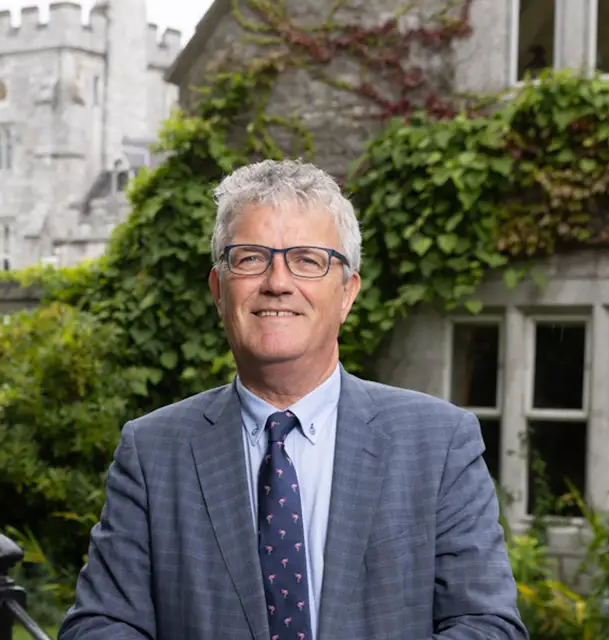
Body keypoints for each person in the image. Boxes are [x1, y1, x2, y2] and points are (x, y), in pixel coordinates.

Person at [57, 159, 527, 640]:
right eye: (250, 258)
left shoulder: (439, 442)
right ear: (219, 290)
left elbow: (486, 625)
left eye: (307, 259)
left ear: (347, 292)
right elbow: (100, 625)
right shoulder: (153, 451)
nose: (277, 281)